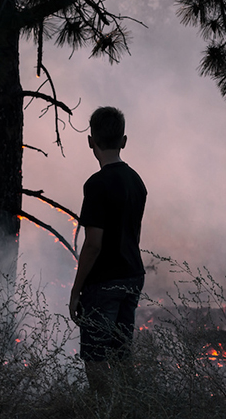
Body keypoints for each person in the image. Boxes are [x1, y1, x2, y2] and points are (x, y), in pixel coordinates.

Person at [68, 106, 147, 394]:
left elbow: (93, 244)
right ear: (123, 141)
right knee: (121, 353)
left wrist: (77, 290)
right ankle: (131, 407)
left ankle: (103, 409)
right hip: (132, 276)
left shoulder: (96, 184)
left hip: (104, 282)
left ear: (91, 141)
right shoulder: (136, 181)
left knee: (96, 358)